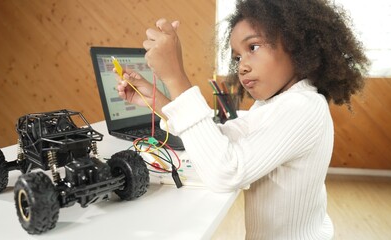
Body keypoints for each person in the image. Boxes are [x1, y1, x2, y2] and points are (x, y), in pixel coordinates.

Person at [115, 0, 370, 239]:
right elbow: (221, 137)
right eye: (237, 57)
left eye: (253, 47)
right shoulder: (275, 103)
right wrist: (157, 101)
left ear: (295, 44)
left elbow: (226, 172)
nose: (242, 66)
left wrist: (175, 75)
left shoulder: (304, 106)